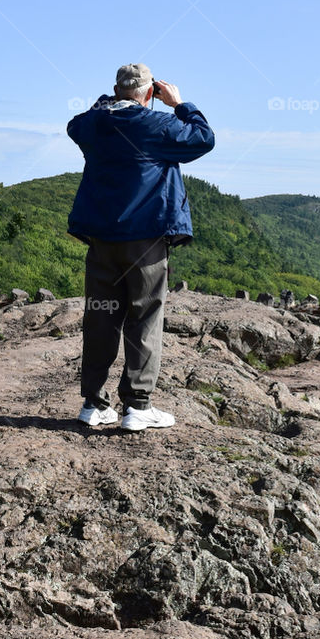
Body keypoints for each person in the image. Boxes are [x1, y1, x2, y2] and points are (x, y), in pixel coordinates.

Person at [66, 63, 215, 431]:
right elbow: (204, 138)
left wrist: (109, 102)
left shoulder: (92, 126)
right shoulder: (158, 126)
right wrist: (179, 103)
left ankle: (93, 404)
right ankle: (138, 405)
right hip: (145, 240)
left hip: (101, 240)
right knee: (144, 317)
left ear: (116, 91)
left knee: (100, 317)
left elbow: (75, 124)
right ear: (151, 94)